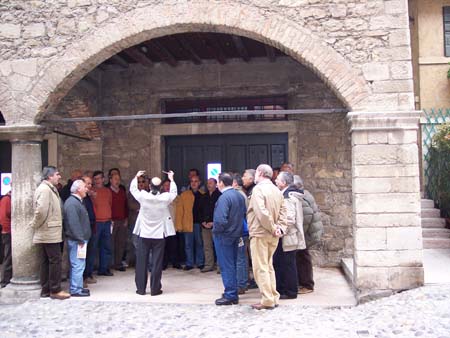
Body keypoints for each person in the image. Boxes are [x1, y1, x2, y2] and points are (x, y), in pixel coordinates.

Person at [131, 170, 177, 296]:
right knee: (157, 262)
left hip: (144, 233)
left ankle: (140, 288)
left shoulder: (143, 196)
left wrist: (136, 176)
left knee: (141, 262)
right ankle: (155, 289)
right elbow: (173, 192)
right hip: (158, 235)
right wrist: (171, 179)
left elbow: (133, 189)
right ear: (161, 186)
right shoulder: (164, 198)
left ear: (149, 186)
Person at [247, 164, 287, 310]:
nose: (254, 176)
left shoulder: (258, 189)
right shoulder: (277, 190)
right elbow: (284, 211)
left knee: (260, 267)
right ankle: (273, 297)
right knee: (269, 266)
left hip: (260, 233)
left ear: (260, 173)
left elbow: (261, 212)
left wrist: (272, 227)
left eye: (256, 172)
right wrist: (280, 228)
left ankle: (267, 299)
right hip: (273, 234)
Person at [29, 166, 70, 300]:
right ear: (49, 176)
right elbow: (41, 211)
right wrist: (34, 224)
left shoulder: (48, 189)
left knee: (47, 261)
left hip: (49, 230)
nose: (59, 177)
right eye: (57, 174)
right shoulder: (45, 190)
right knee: (54, 260)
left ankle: (46, 289)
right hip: (49, 231)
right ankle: (55, 290)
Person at [213, 173, 246, 306]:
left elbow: (220, 219)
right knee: (232, 263)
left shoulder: (223, 198)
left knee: (226, 265)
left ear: (221, 183)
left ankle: (230, 294)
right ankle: (233, 290)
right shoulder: (239, 195)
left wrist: (217, 231)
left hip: (224, 235)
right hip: (236, 234)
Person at [273, 171, 306, 299]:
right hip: (287, 235)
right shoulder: (288, 195)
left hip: (286, 236)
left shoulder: (287, 197)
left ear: (284, 183)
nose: (275, 181)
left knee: (286, 264)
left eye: (278, 180)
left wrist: (281, 230)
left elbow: (289, 218)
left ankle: (289, 291)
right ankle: (285, 290)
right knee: (286, 263)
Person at [293, 175, 323, 295]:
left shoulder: (302, 197)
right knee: (302, 258)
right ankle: (304, 283)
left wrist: (300, 235)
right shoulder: (305, 193)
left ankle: (307, 285)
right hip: (309, 232)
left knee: (303, 258)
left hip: (306, 234)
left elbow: (307, 216)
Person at [63, 180, 91, 297]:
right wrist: (80, 238)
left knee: (80, 264)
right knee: (78, 264)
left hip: (79, 239)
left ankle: (78, 287)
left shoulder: (75, 202)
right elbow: (73, 223)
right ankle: (75, 289)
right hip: (77, 240)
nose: (87, 189)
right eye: (85, 187)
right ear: (78, 189)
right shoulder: (72, 203)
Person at [176, 174, 205, 270]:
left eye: (196, 181)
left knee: (199, 243)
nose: (194, 183)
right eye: (192, 181)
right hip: (187, 223)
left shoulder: (203, 194)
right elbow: (179, 211)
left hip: (199, 223)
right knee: (188, 244)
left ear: (199, 183)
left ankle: (200, 262)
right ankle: (189, 263)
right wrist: (179, 225)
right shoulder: (184, 195)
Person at [92, 170, 114, 276]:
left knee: (106, 246)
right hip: (97, 222)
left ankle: (104, 269)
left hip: (107, 221)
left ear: (103, 179)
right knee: (93, 246)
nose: (97, 181)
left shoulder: (107, 191)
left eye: (99, 178)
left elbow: (110, 204)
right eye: (95, 179)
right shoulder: (91, 191)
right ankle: (89, 271)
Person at [232, 174, 249, 294]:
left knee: (240, 258)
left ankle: (241, 284)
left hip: (240, 230)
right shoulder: (242, 194)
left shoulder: (238, 195)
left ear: (235, 183)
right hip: (242, 229)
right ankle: (243, 281)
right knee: (242, 257)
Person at [199, 178, 221, 273]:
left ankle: (220, 266)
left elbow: (221, 212)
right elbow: (199, 210)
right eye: (207, 183)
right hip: (205, 225)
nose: (209, 185)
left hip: (216, 225)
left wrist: (214, 222)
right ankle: (209, 265)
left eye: (211, 183)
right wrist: (203, 221)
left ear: (216, 184)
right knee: (207, 246)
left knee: (219, 246)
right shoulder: (204, 196)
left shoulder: (220, 196)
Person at [110, 173, 129, 271]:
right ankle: (109, 264)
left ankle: (118, 263)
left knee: (120, 243)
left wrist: (126, 218)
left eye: (118, 179)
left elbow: (126, 206)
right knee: (110, 243)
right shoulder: (108, 192)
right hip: (112, 221)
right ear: (111, 180)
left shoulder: (122, 192)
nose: (117, 181)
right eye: (115, 179)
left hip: (122, 220)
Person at [82, 175, 97, 285]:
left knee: (90, 253)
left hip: (91, 227)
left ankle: (88, 274)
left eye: (91, 184)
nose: (90, 186)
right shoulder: (80, 198)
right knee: (82, 255)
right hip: (84, 230)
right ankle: (82, 278)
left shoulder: (88, 196)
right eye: (87, 183)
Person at [0, 189, 12, 288]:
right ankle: (4, 280)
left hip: (8, 230)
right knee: (8, 256)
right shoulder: (6, 200)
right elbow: (4, 216)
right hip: (8, 231)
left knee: (9, 256)